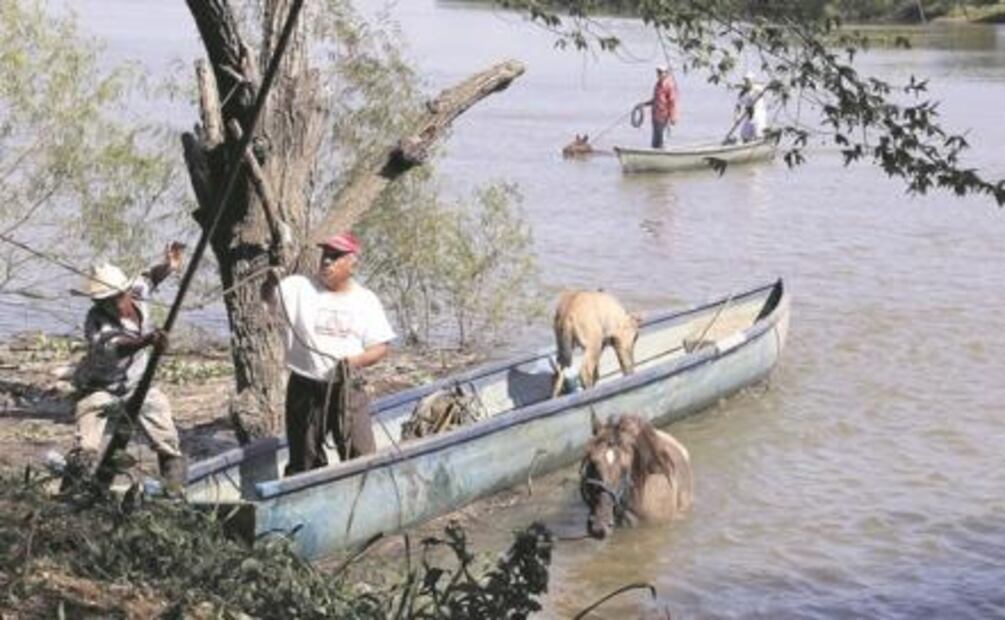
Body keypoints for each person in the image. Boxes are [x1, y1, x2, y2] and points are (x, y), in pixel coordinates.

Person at [266, 232, 395, 475]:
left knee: (360, 454)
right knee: (304, 458)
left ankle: (361, 498)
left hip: (346, 387)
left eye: (335, 256)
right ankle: (305, 499)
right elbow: (268, 300)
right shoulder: (298, 287)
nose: (326, 262)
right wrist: (270, 282)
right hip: (305, 386)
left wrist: (355, 361)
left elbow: (381, 347)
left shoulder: (365, 301)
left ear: (352, 263)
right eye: (325, 255)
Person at [69, 243, 187, 492]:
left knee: (167, 440)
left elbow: (152, 277)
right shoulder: (95, 319)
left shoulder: (137, 292)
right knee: (85, 447)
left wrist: (170, 265)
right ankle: (71, 496)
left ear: (124, 292)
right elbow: (116, 347)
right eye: (101, 301)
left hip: (137, 383)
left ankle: (175, 494)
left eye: (112, 299)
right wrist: (148, 340)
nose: (108, 305)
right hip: (99, 388)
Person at [644, 66, 680, 149]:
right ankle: (653, 153)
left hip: (663, 115)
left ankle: (660, 153)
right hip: (655, 115)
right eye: (658, 72)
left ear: (666, 73)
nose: (659, 74)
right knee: (655, 137)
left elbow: (673, 102)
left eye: (661, 72)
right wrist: (645, 104)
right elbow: (657, 99)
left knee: (660, 137)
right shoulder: (658, 84)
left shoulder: (669, 85)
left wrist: (673, 117)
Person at [735, 72, 767, 143]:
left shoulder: (758, 89)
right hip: (749, 116)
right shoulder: (742, 93)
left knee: (759, 135)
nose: (746, 82)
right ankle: (746, 146)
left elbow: (764, 87)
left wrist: (758, 88)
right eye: (745, 81)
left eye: (748, 81)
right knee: (744, 135)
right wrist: (737, 117)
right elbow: (738, 106)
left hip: (759, 115)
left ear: (752, 81)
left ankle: (760, 147)